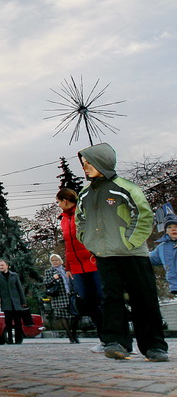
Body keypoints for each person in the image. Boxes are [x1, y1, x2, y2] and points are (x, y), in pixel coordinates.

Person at [76, 143, 169, 362]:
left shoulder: (126, 187)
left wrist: (130, 242)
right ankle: (116, 342)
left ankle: (154, 346)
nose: (85, 167)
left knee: (144, 298)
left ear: (103, 162)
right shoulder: (85, 193)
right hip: (105, 256)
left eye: (89, 162)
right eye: (83, 163)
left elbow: (144, 216)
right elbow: (80, 219)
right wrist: (88, 240)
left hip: (133, 255)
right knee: (111, 299)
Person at [58, 187, 105, 353]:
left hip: (93, 262)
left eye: (59, 202)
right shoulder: (63, 219)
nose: (59, 205)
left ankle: (116, 336)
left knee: (102, 299)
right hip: (77, 267)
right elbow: (68, 245)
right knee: (88, 302)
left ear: (65, 200)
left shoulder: (83, 213)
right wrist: (68, 266)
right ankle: (104, 339)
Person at [43, 254, 80, 344]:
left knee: (75, 315)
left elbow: (72, 280)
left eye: (56, 260)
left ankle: (74, 334)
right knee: (63, 316)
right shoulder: (49, 271)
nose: (55, 262)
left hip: (69, 295)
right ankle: (70, 337)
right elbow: (45, 283)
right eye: (53, 261)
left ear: (60, 261)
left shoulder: (65, 270)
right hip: (58, 296)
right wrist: (53, 278)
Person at [0, 258, 26, 345]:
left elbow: (19, 288)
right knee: (8, 322)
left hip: (15, 301)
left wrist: (23, 301)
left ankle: (19, 339)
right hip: (6, 302)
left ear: (7, 266)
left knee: (18, 322)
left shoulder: (14, 275)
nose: (1, 267)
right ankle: (10, 339)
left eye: (2, 265)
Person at [150, 213, 177, 294]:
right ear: (166, 231)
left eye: (176, 227)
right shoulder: (162, 247)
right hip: (175, 285)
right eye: (169, 227)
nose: (173, 229)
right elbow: (150, 258)